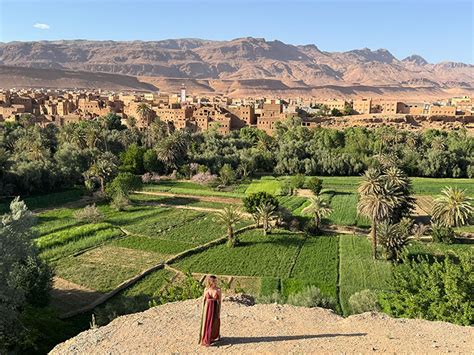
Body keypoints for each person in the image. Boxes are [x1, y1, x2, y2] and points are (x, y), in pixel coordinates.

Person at [199, 275, 221, 346]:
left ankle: (213, 337)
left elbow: (219, 301)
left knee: (214, 322)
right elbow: (204, 300)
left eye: (216, 281)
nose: (215, 282)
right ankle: (206, 338)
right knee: (207, 323)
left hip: (215, 308)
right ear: (210, 282)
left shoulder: (218, 290)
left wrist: (219, 312)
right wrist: (203, 312)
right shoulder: (206, 289)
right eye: (214, 281)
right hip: (207, 309)